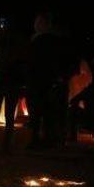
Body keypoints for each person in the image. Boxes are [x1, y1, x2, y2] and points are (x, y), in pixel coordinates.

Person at [27, 12, 77, 148]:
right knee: (51, 112)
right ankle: (52, 139)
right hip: (51, 81)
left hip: (42, 81)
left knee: (41, 111)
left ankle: (42, 139)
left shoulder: (40, 42)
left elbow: (33, 63)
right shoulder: (55, 41)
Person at [0, 18, 27, 153]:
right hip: (12, 82)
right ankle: (6, 146)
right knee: (9, 116)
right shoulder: (18, 43)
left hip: (1, 80)